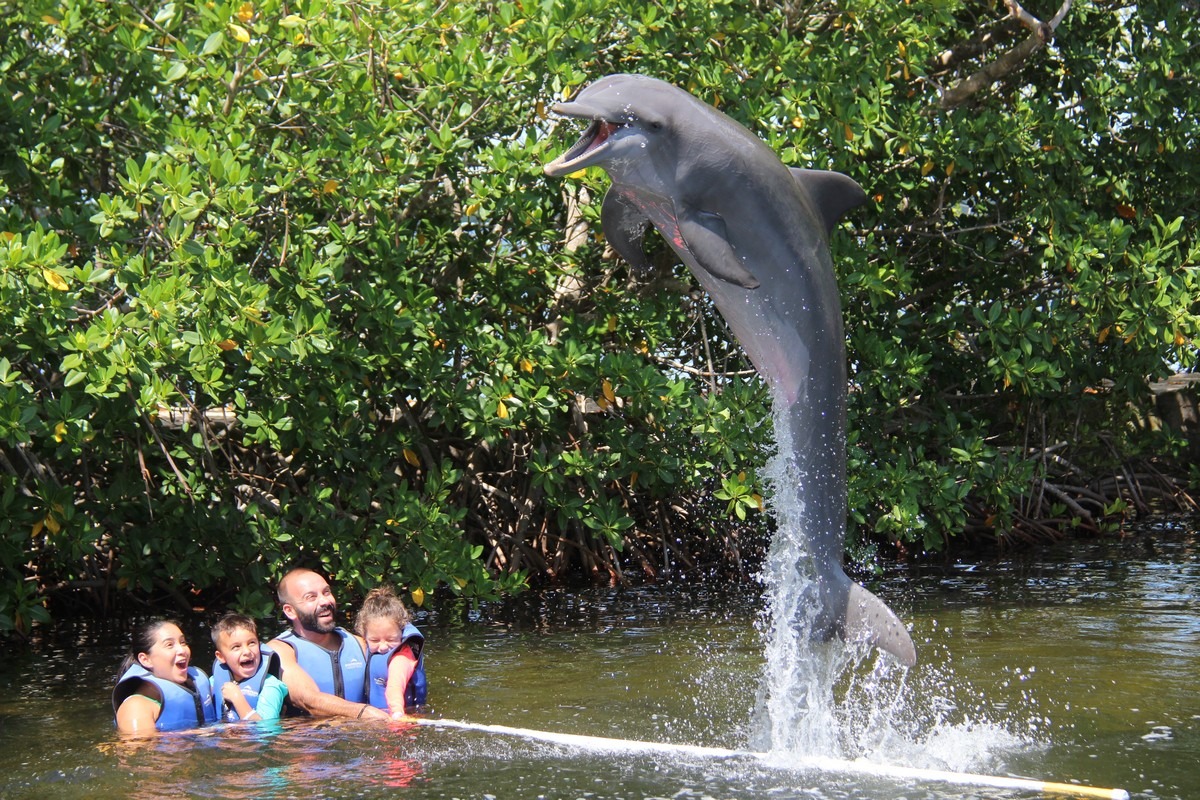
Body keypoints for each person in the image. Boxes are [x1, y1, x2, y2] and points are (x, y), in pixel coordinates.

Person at [266, 567, 389, 720]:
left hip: (362, 735)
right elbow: (308, 700)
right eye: (311, 597)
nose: (325, 601)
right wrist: (363, 712)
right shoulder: (280, 650)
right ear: (290, 611)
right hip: (309, 739)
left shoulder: (359, 643)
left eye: (326, 592)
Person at [113, 619, 219, 734]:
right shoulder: (136, 706)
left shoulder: (200, 685)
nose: (182, 650)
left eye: (183, 642)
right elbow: (138, 748)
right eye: (169, 645)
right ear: (146, 660)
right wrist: (196, 733)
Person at [355, 586, 428, 719]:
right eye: (375, 640)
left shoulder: (402, 657)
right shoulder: (364, 645)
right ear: (364, 635)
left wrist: (397, 713)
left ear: (402, 632)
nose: (383, 647)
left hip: (403, 717)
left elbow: (395, 687)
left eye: (391, 639)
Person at [210, 613, 290, 722]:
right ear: (221, 656)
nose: (247, 651)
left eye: (252, 643)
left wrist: (237, 699)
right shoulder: (213, 682)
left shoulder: (271, 686)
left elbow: (266, 731)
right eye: (236, 647)